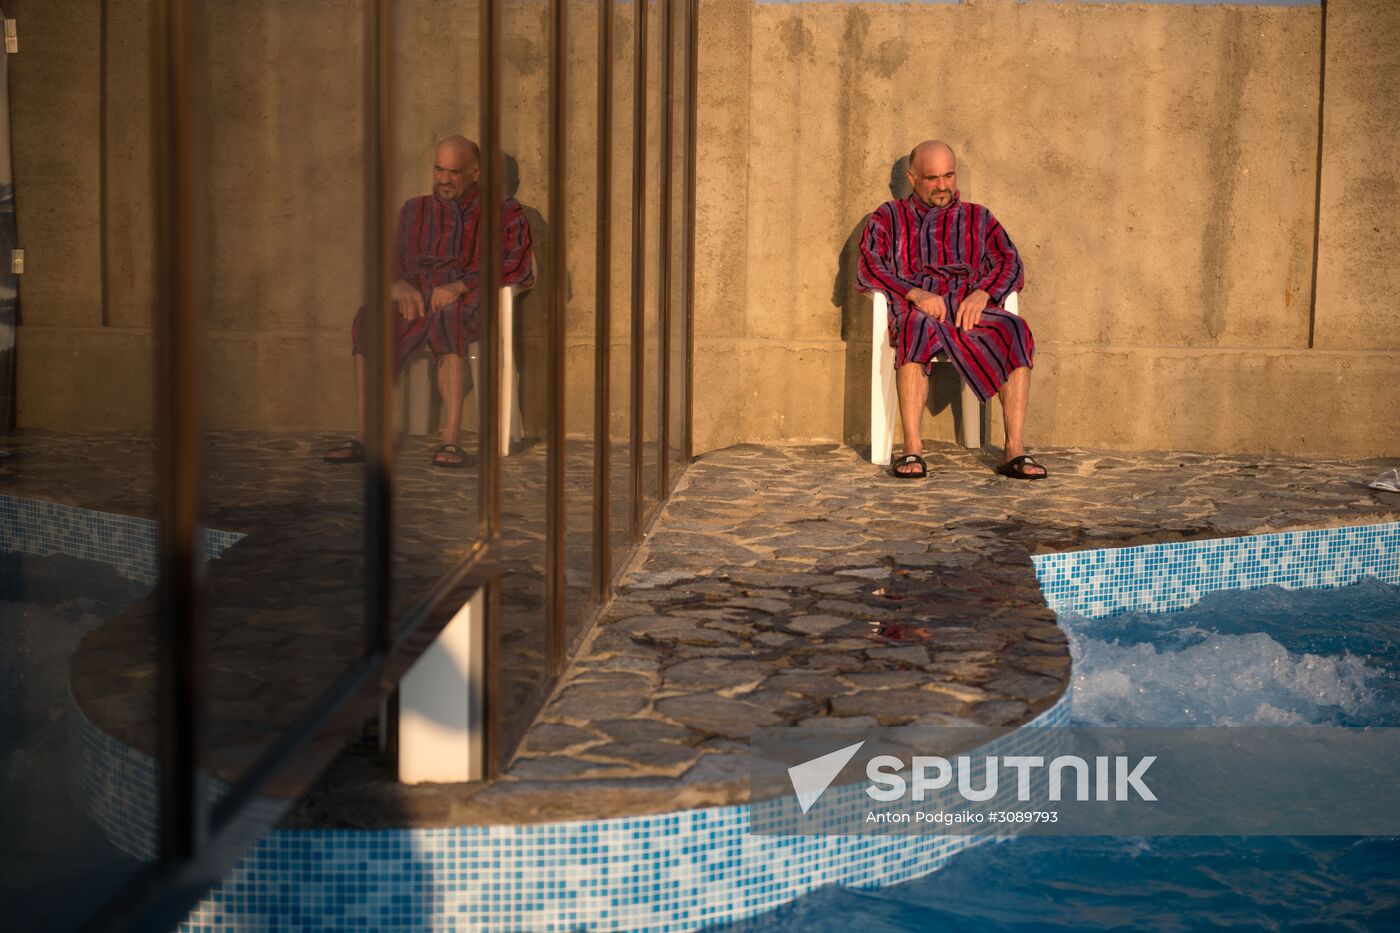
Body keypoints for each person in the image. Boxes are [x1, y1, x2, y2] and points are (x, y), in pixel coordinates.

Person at [324, 135, 533, 467]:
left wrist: (461, 285)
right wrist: (396, 285)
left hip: (471, 297)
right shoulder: (415, 208)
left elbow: (514, 260)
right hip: (418, 295)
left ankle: (450, 440)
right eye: (438, 170)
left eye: (454, 172)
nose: (444, 179)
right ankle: (364, 437)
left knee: (449, 318)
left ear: (476, 173)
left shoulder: (505, 210)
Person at [857, 140, 1047, 480]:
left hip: (967, 307)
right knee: (914, 328)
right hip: (919, 310)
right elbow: (870, 265)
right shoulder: (889, 216)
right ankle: (912, 448)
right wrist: (914, 293)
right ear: (913, 179)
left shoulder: (979, 217)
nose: (943, 186)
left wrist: (984, 293)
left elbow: (1010, 262)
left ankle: (1014, 448)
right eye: (932, 178)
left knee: (1015, 330)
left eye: (949, 175)